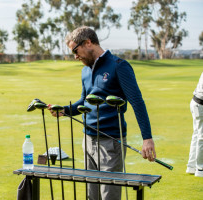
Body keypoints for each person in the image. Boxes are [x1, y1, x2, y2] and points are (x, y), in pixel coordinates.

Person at [47, 26, 156, 200]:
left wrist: (147, 138)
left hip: (111, 142)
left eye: (76, 50)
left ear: (88, 42)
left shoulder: (119, 66)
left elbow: (137, 102)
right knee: (92, 196)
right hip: (87, 141)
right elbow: (84, 102)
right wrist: (65, 111)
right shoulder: (85, 71)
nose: (75, 56)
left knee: (109, 196)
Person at [186, 72, 203, 177]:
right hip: (201, 104)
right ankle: (200, 169)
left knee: (197, 135)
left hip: (196, 103)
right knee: (201, 137)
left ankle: (191, 167)